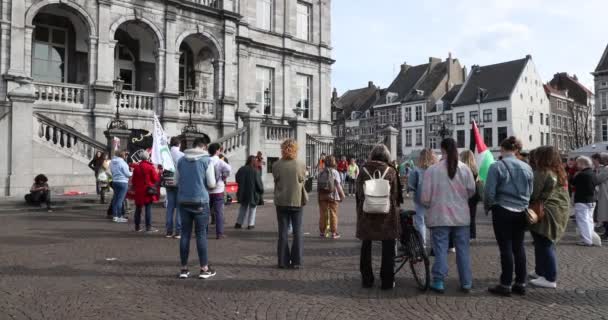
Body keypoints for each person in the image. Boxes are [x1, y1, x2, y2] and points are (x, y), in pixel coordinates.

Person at [421, 139, 475, 293]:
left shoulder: (432, 170)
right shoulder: (465, 169)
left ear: (441, 149)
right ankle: (466, 281)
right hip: (461, 216)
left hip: (440, 216)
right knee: (463, 250)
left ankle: (439, 281)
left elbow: (425, 198)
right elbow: (471, 190)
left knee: (440, 249)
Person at [484, 136, 534, 297]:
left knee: (505, 247)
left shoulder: (496, 166)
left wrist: (489, 206)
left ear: (503, 149)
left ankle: (505, 283)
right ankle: (521, 282)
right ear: (517, 150)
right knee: (518, 247)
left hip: (503, 209)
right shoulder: (526, 167)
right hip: (521, 211)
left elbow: (489, 192)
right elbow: (530, 190)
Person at [356, 144, 401, 290]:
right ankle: (387, 281)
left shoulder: (362, 170)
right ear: (387, 156)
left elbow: (358, 194)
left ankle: (367, 279)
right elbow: (396, 195)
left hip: (367, 213)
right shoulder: (391, 171)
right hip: (387, 215)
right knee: (388, 246)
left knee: (366, 245)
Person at [527, 146, 570, 289]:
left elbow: (533, 194)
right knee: (543, 242)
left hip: (546, 211)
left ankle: (550, 277)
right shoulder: (559, 171)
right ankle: (540, 271)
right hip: (558, 210)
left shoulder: (542, 172)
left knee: (544, 243)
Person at [175, 137, 217, 279]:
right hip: (200, 201)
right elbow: (211, 184)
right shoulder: (207, 161)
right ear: (204, 147)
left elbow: (176, 180)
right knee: (201, 235)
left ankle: (184, 268)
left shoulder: (181, 160)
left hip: (184, 201)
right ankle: (204, 268)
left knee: (185, 234)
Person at [272, 139, 307, 269]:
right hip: (296, 201)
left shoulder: (276, 165)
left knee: (283, 232)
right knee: (297, 231)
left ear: (282, 149)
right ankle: (297, 261)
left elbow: (276, 180)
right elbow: (302, 179)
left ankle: (283, 261)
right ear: (296, 150)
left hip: (281, 201)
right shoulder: (301, 164)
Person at [408, 149, 437, 247]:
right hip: (435, 200)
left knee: (420, 222)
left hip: (420, 199)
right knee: (433, 223)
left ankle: (422, 244)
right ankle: (434, 245)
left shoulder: (416, 170)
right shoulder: (437, 169)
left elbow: (411, 186)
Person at [207, 143, 232, 239]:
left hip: (207, 190)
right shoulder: (220, 161)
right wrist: (223, 176)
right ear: (217, 150)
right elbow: (229, 169)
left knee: (206, 212)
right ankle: (219, 233)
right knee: (219, 212)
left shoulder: (206, 160)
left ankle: (203, 231)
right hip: (218, 189)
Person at [131, 151, 160, 232]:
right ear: (147, 157)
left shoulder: (137, 167)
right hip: (147, 190)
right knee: (148, 208)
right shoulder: (150, 167)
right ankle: (148, 227)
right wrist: (157, 172)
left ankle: (137, 226)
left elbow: (133, 180)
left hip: (139, 190)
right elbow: (155, 179)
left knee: (138, 209)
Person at [318, 155, 345, 239]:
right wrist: (342, 195)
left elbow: (319, 186)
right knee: (333, 214)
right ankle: (333, 233)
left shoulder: (321, 172)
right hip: (333, 196)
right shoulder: (335, 172)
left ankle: (322, 232)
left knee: (323, 214)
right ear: (334, 162)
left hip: (322, 196)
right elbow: (338, 185)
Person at [572, 156, 598, 246]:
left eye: (578, 163)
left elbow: (573, 182)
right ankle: (590, 237)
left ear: (583, 164)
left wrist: (575, 176)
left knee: (583, 221)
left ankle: (587, 240)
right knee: (589, 220)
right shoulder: (593, 173)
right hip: (591, 199)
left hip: (582, 200)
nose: (576, 165)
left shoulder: (581, 174)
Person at [235, 156, 264, 230]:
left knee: (243, 207)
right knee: (253, 208)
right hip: (253, 192)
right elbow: (258, 183)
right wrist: (261, 190)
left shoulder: (241, 169)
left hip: (243, 191)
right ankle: (250, 224)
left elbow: (237, 179)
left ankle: (239, 223)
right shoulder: (255, 170)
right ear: (254, 161)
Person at [165, 137, 184, 239]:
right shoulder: (182, 155)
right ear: (179, 144)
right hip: (179, 182)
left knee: (170, 207)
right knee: (179, 208)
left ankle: (168, 231)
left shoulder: (165, 154)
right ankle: (178, 231)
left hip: (168, 181)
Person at [460, 150, 481, 241]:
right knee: (472, 216)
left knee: (463, 216)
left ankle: (464, 233)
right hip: (474, 195)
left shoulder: (462, 170)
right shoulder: (475, 169)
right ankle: (472, 235)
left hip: (464, 195)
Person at [110, 150, 132, 223]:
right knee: (120, 200)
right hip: (122, 181)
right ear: (123, 156)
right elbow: (127, 174)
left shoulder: (112, 162)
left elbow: (111, 171)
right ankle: (119, 216)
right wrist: (132, 172)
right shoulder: (123, 163)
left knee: (115, 199)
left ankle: (115, 216)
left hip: (115, 181)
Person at [593, 153, 608, 241]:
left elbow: (597, 179)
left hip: (605, 193)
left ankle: (607, 233)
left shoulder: (606, 169)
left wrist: (596, 171)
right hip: (604, 193)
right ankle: (606, 232)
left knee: (606, 214)